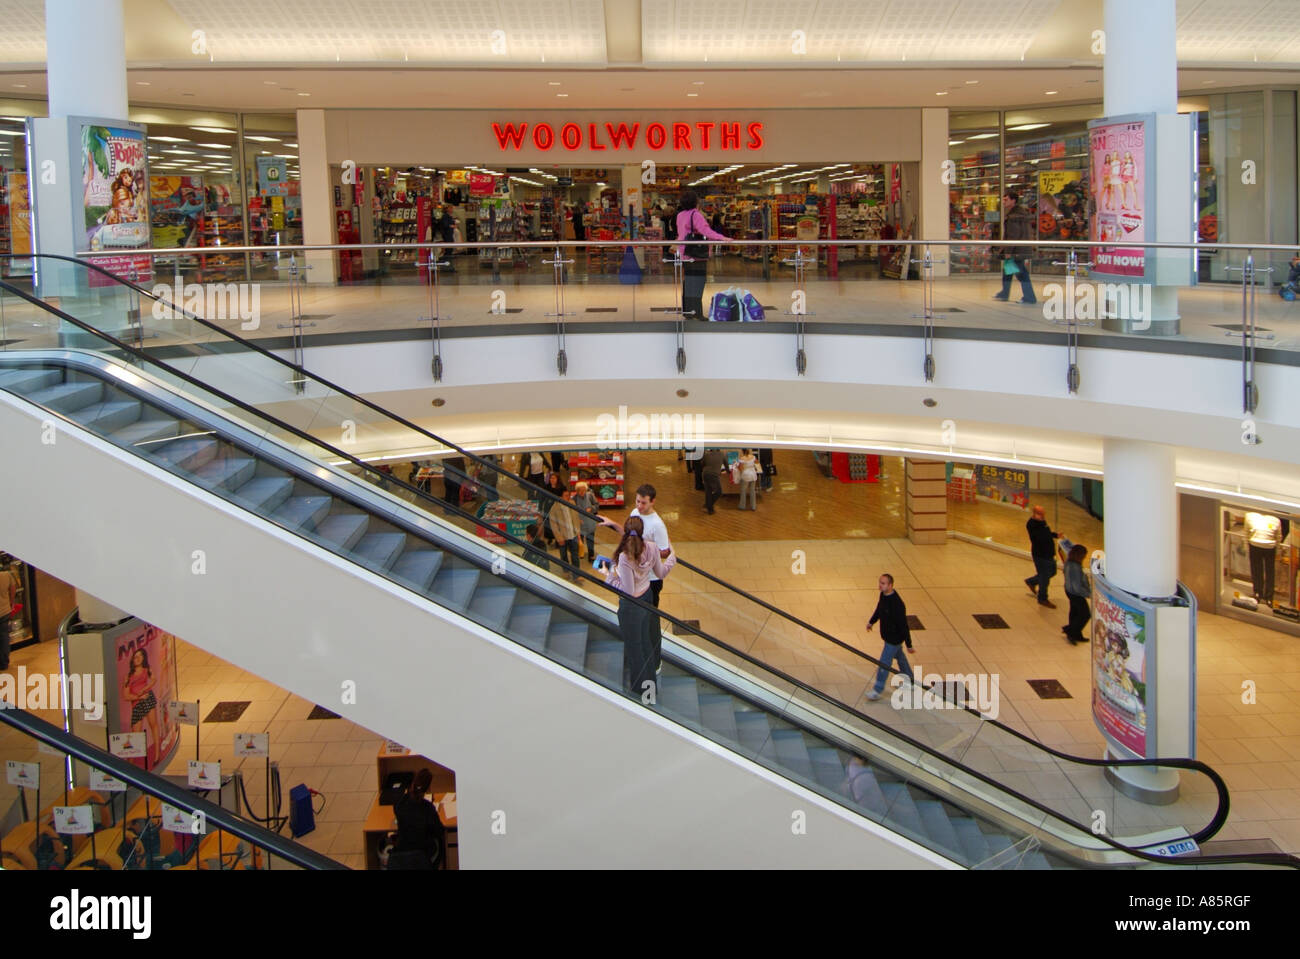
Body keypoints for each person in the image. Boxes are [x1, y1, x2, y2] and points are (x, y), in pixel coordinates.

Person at [599, 515, 675, 700]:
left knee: (635, 650)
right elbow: (661, 572)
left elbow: (628, 591)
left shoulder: (625, 557)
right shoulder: (651, 547)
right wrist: (672, 556)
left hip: (631, 607)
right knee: (646, 645)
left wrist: (609, 575)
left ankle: (642, 694)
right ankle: (651, 689)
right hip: (647, 598)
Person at [676, 190, 730, 319]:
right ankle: (697, 313)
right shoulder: (696, 215)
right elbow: (705, 231)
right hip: (697, 254)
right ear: (695, 202)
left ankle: (687, 311)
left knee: (688, 282)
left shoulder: (680, 215)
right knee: (698, 283)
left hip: (685, 253)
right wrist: (722, 238)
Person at [863, 574, 915, 701]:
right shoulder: (883, 595)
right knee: (900, 658)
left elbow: (904, 626)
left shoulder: (897, 604)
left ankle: (877, 689)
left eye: (883, 583)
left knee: (884, 664)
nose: (880, 585)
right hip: (888, 637)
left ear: (890, 585)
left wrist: (909, 644)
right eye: (880, 582)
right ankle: (910, 680)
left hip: (894, 639)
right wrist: (871, 621)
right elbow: (879, 609)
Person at [388, 768, 444, 870]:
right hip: (421, 854)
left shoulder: (400, 802)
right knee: (441, 842)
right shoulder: (427, 808)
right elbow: (439, 830)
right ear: (428, 789)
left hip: (401, 852)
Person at [993, 190, 1036, 305]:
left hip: (1017, 250)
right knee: (1008, 270)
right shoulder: (1019, 214)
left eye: (1006, 199)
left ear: (1013, 200)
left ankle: (1029, 297)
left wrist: (1008, 251)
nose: (1003, 202)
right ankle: (1005, 292)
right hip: (1019, 248)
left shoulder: (1014, 216)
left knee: (1021, 272)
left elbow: (1013, 235)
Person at [122, 649, 161, 767]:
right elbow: (126, 695)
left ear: (143, 658)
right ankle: (131, 764)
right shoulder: (128, 676)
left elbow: (154, 680)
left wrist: (145, 689)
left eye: (140, 656)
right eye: (135, 656)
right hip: (137, 704)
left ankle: (157, 754)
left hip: (148, 699)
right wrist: (138, 696)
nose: (137, 658)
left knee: (153, 724)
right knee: (135, 734)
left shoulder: (146, 670)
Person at [1024, 505, 1061, 608]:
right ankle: (1042, 598)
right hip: (1041, 555)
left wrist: (1055, 535)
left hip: (1048, 553)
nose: (1043, 516)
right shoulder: (1032, 524)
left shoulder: (1042, 522)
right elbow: (1040, 537)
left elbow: (1047, 533)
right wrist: (1040, 522)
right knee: (1045, 577)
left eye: (1043, 513)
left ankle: (1031, 581)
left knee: (1052, 572)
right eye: (1041, 514)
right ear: (1035, 514)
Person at [1062, 543, 1092, 645]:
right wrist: (1089, 594)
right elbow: (1077, 587)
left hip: (1069, 591)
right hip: (1075, 594)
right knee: (1085, 614)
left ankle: (1076, 634)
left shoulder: (1069, 562)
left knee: (1075, 612)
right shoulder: (1075, 567)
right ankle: (1070, 630)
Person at [549, 489, 582, 580]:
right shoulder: (555, 507)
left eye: (569, 495)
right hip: (563, 536)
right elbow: (553, 524)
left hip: (573, 534)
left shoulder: (572, 503)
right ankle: (566, 571)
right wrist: (559, 537)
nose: (568, 497)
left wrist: (578, 532)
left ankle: (576, 574)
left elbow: (576, 518)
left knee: (575, 555)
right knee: (563, 555)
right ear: (560, 497)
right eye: (566, 495)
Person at [572, 481, 600, 565]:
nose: (582, 492)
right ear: (577, 491)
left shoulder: (590, 496)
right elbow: (573, 512)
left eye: (584, 490)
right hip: (580, 523)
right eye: (580, 491)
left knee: (590, 539)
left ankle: (591, 556)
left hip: (590, 522)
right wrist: (577, 519)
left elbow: (597, 505)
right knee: (580, 540)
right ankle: (581, 553)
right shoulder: (574, 499)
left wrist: (591, 509)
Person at [540, 470, 567, 544]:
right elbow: (542, 497)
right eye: (551, 478)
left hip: (558, 509)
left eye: (554, 478)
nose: (552, 480)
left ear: (557, 479)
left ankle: (558, 539)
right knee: (548, 524)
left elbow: (565, 497)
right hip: (548, 507)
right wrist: (540, 508)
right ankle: (549, 538)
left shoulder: (562, 487)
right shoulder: (547, 487)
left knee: (557, 524)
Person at [0, 556, 17, 670]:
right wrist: (11, 602)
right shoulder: (7, 575)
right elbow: (13, 589)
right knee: (4, 636)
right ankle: (4, 662)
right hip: (5, 610)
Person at [701, 448, 725, 515]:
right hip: (714, 475)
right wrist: (727, 471)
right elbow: (726, 464)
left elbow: (702, 464)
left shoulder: (706, 454)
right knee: (719, 492)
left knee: (708, 491)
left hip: (705, 474)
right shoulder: (722, 454)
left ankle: (710, 509)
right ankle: (708, 505)